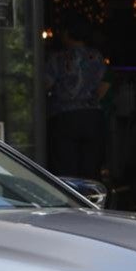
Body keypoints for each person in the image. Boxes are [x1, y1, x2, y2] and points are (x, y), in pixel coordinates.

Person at [45, 18, 108, 178]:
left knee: (66, 171)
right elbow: (106, 83)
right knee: (91, 170)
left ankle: (69, 202)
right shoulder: (96, 56)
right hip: (92, 116)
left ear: (67, 33)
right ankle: (91, 202)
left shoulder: (58, 58)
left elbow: (45, 84)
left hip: (64, 116)